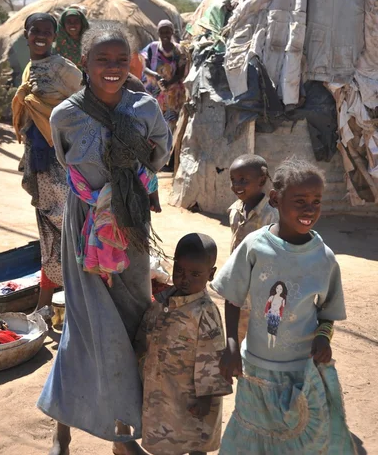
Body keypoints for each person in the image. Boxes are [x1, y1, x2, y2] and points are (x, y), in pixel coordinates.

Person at [37, 21, 172, 455]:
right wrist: (103, 194)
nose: (112, 68)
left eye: (120, 60)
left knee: (130, 322)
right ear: (85, 63)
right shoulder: (66, 115)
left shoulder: (146, 108)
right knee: (87, 326)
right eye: (102, 60)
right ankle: (65, 429)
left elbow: (161, 155)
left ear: (130, 63)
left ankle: (121, 431)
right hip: (85, 226)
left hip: (129, 224)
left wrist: (130, 180)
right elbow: (65, 159)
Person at [212, 157, 356, 454]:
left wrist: (322, 337)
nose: (309, 209)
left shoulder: (324, 258)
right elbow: (233, 297)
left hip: (300, 373)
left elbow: (328, 313)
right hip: (256, 368)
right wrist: (229, 345)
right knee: (253, 435)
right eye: (300, 200)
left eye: (316, 201)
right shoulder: (254, 246)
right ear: (276, 199)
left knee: (295, 441)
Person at [135, 233, 232, 455]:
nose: (184, 279)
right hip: (163, 391)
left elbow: (213, 357)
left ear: (211, 274)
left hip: (193, 397)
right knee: (166, 440)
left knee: (195, 441)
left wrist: (206, 399)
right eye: (179, 271)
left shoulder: (205, 312)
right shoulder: (162, 300)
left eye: (195, 274)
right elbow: (144, 333)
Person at [12, 13, 82, 313]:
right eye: (35, 31)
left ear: (54, 36)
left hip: (60, 160)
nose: (40, 36)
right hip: (38, 158)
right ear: (26, 34)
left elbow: (83, 105)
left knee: (67, 225)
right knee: (49, 228)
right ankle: (47, 302)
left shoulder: (64, 69)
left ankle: (79, 297)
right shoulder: (30, 67)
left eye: (46, 31)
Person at [228, 154, 279, 345]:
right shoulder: (234, 209)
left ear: (262, 180)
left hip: (262, 287)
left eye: (243, 180)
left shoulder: (271, 215)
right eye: (233, 180)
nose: (236, 185)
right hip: (239, 283)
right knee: (239, 333)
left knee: (260, 337)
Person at [142, 19, 185, 137]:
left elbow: (180, 73)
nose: (165, 35)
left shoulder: (178, 50)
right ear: (158, 33)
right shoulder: (152, 48)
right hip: (154, 90)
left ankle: (167, 149)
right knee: (151, 121)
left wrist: (169, 83)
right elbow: (144, 67)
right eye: (162, 32)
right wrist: (154, 75)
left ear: (172, 33)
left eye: (168, 32)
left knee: (169, 124)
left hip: (172, 93)